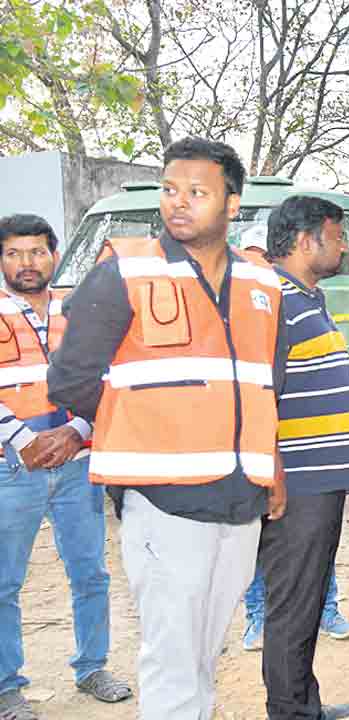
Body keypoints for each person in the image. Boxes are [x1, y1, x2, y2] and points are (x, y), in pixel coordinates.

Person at [47, 137, 288, 720]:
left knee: (205, 653)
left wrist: (272, 468)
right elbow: (72, 380)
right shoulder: (123, 269)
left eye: (197, 193)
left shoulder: (263, 284)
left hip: (241, 498)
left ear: (233, 204)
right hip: (163, 501)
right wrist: (145, 429)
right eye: (169, 190)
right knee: (173, 661)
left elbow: (263, 388)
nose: (178, 203)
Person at [0, 215, 131, 720]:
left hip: (77, 465)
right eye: (14, 253)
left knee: (91, 573)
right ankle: (8, 686)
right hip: (12, 469)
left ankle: (92, 667)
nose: (26, 263)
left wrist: (77, 430)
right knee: (5, 582)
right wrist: (24, 440)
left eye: (36, 252)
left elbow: (106, 376)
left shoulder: (80, 312)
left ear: (53, 255)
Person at [250, 195, 349, 720]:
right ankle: (290, 713)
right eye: (338, 236)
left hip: (319, 481)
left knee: (307, 601)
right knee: (293, 607)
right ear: (305, 240)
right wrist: (273, 473)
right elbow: (256, 396)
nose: (343, 246)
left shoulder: (306, 296)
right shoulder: (272, 299)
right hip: (296, 484)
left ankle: (305, 705)